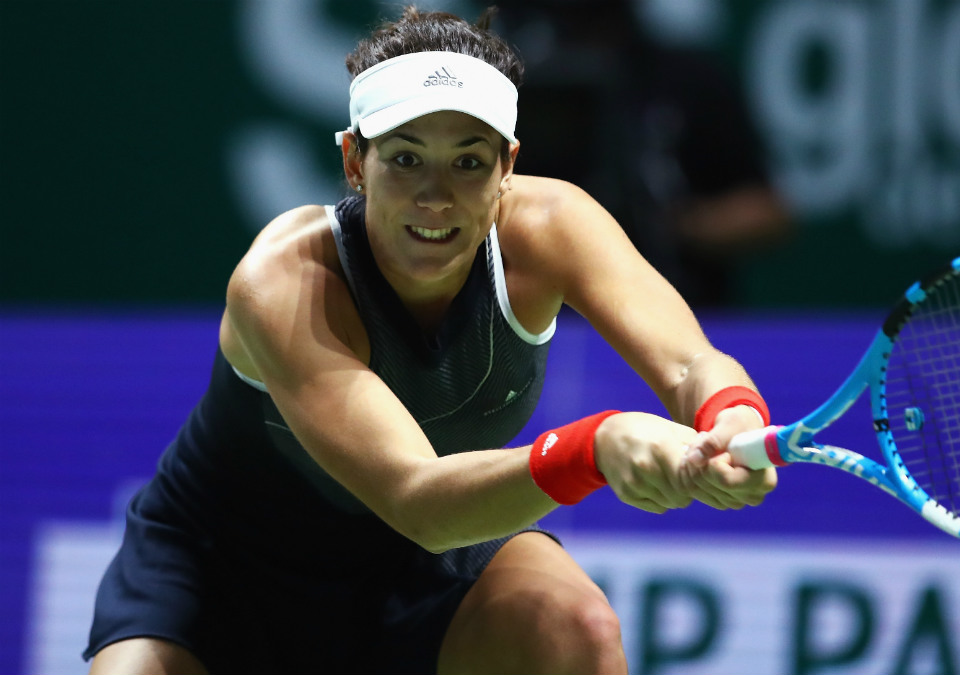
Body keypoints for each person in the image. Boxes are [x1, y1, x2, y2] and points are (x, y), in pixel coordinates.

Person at [84, 7, 777, 674]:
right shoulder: (282, 281)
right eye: (406, 158)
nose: (435, 196)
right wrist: (594, 447)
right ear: (356, 161)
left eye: (468, 163)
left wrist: (729, 419)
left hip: (427, 569)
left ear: (508, 165)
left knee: (574, 629)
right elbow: (418, 498)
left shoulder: (556, 226)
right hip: (224, 579)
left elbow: (691, 363)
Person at [497, 0, 792, 306]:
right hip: (549, 315)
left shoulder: (688, 79)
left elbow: (766, 211)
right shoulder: (515, 86)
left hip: (676, 301)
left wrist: (669, 225)